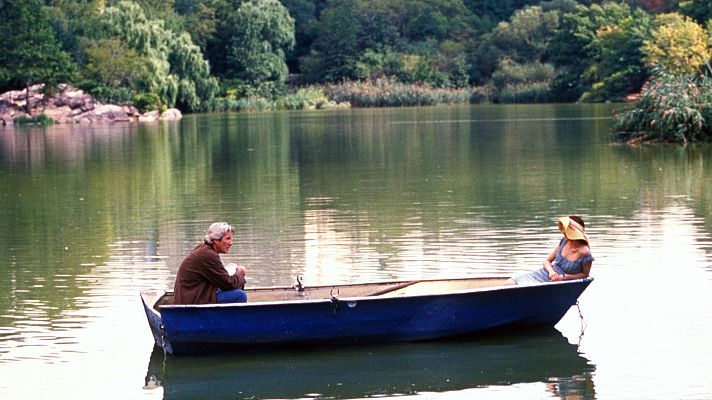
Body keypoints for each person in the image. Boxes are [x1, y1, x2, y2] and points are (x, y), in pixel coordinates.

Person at [173, 222, 248, 304]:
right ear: (216, 240)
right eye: (228, 239)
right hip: (193, 301)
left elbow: (223, 281)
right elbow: (229, 284)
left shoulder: (204, 250)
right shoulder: (207, 255)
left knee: (232, 287)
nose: (231, 243)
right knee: (240, 295)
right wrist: (239, 273)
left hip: (194, 296)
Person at [508, 216, 593, 285]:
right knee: (510, 283)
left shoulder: (584, 252)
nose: (564, 232)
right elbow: (547, 261)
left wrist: (562, 277)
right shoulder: (564, 241)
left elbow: (585, 275)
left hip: (562, 282)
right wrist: (551, 272)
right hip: (547, 274)